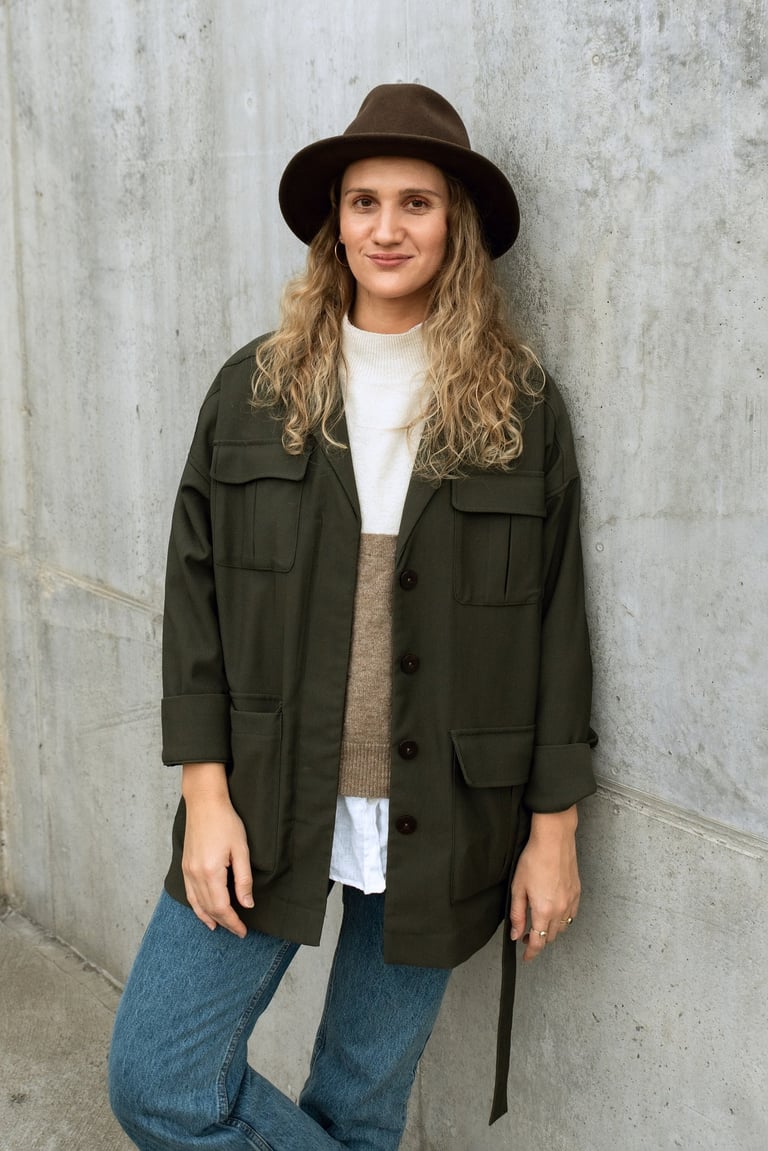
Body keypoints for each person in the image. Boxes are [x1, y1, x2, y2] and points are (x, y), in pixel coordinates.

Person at [109, 83, 597, 1151]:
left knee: (359, 1109)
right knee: (158, 1081)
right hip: (267, 796)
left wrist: (553, 833)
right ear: (334, 221)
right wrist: (205, 794)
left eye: (417, 203)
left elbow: (558, 629)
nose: (387, 228)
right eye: (364, 200)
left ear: (455, 226)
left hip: (449, 812)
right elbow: (196, 597)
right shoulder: (254, 388)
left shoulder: (520, 405)